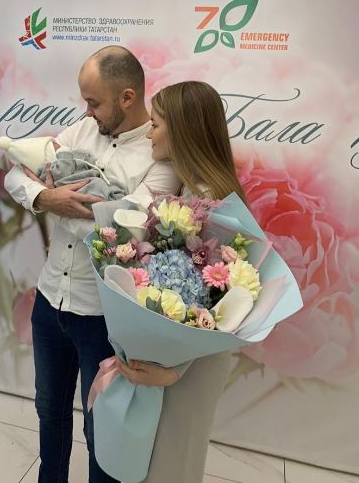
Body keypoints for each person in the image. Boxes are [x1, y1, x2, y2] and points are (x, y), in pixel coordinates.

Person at [4, 46, 180, 483]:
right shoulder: (81, 129)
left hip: (103, 318)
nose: (87, 111)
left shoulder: (161, 156)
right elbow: (14, 174)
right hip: (49, 302)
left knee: (100, 430)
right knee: (49, 412)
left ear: (127, 97)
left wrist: (70, 207)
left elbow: (128, 228)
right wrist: (45, 197)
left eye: (94, 102)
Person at [116, 80, 247, 483]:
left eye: (156, 124)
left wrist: (177, 370)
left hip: (195, 362)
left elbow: (221, 303)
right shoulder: (191, 188)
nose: (149, 133)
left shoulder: (212, 202)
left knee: (174, 465)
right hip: (178, 355)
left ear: (182, 131)